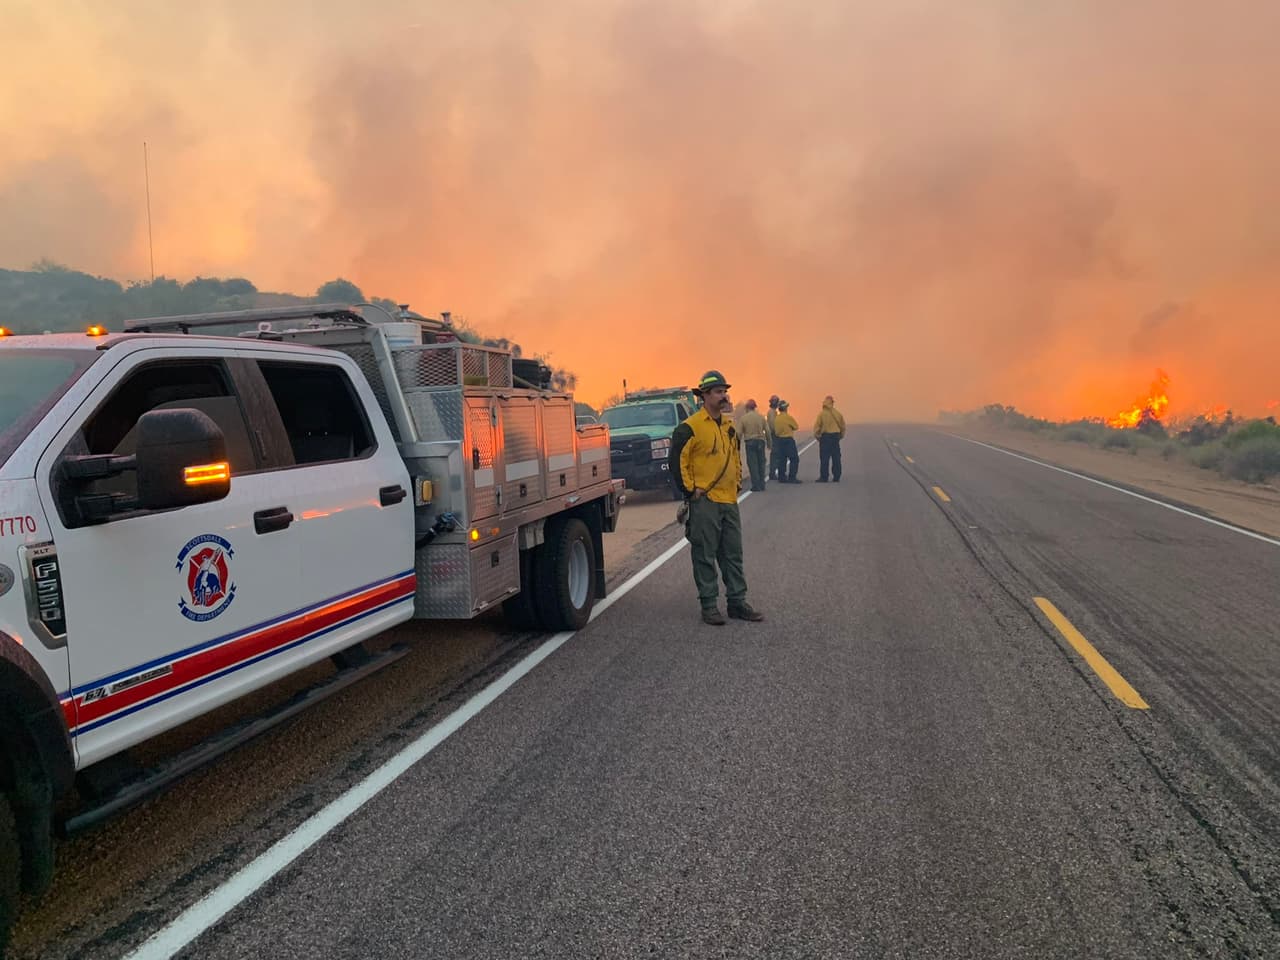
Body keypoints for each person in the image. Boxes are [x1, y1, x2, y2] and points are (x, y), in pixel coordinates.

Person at [669, 370, 765, 626]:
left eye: (725, 391)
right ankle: (709, 606)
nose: (724, 396)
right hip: (705, 502)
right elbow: (678, 462)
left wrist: (736, 483)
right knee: (704, 555)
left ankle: (737, 602)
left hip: (728, 501)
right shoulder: (689, 428)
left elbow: (735, 457)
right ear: (704, 395)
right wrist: (690, 491)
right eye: (718, 392)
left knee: (733, 554)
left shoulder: (729, 427)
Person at [737, 399, 769, 492]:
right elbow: (767, 431)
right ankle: (762, 484)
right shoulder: (761, 417)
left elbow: (738, 433)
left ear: (747, 408)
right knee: (761, 463)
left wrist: (737, 445)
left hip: (750, 443)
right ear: (755, 407)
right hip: (761, 442)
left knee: (753, 465)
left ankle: (756, 486)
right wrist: (769, 443)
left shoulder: (744, 418)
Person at [813, 394, 847, 482]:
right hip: (835, 437)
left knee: (824, 458)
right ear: (832, 403)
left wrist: (818, 437)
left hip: (825, 438)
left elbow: (816, 428)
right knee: (836, 458)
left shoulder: (821, 414)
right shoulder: (838, 414)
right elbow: (843, 427)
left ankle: (824, 477)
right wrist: (841, 436)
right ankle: (837, 476)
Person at [772, 400, 801, 482]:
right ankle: (792, 477)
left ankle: (781, 477)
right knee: (794, 459)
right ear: (785, 408)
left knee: (782, 459)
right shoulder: (788, 417)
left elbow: (776, 431)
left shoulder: (777, 418)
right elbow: (796, 427)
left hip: (780, 440)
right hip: (788, 440)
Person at [766, 395, 781, 482]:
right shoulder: (772, 413)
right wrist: (777, 433)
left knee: (775, 454)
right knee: (775, 454)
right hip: (774, 435)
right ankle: (772, 473)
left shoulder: (773, 412)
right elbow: (772, 425)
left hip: (773, 434)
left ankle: (773, 472)